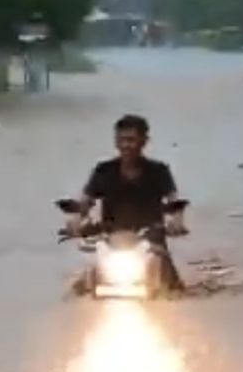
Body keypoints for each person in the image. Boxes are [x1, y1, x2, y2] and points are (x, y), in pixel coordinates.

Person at [74, 114, 186, 292]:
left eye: (131, 140)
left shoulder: (159, 171)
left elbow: (174, 201)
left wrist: (176, 221)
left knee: (173, 290)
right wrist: (78, 220)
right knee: (82, 288)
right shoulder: (103, 171)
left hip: (150, 241)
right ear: (115, 142)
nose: (126, 145)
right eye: (121, 140)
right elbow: (85, 201)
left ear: (144, 141)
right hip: (111, 240)